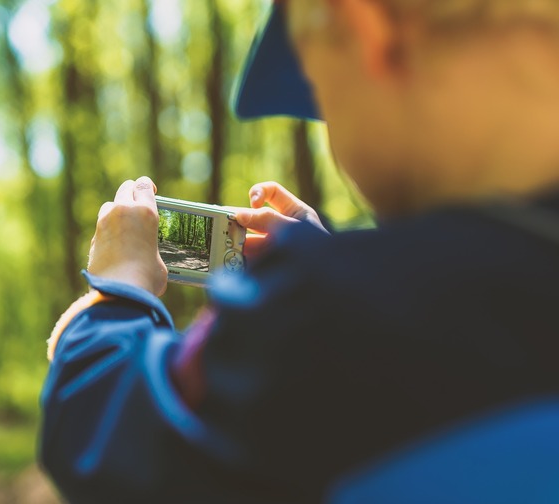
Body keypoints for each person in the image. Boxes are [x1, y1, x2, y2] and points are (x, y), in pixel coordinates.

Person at [39, 0, 559, 502]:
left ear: (368, 31)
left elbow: (104, 440)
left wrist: (121, 287)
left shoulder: (322, 318)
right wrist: (343, 262)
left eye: (319, 90)